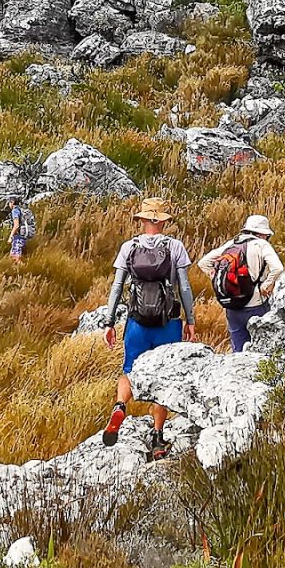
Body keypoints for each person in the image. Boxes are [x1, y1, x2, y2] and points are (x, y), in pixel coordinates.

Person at [101, 197, 195, 460]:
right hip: (168, 323)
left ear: (142, 220)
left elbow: (117, 288)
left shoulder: (129, 247)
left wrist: (109, 322)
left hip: (137, 322)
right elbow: (184, 287)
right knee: (163, 378)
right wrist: (190, 320)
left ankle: (120, 405)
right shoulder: (175, 247)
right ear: (162, 222)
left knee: (129, 370)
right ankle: (157, 436)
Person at [200, 214, 285, 353]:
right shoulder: (262, 244)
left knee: (238, 350)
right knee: (262, 350)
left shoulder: (232, 244)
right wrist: (266, 285)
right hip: (256, 304)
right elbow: (278, 268)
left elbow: (203, 263)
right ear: (262, 234)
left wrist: (217, 278)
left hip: (232, 305)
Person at [6, 197, 36, 261]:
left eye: (9, 203)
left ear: (12, 203)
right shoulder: (22, 209)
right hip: (25, 235)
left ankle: (25, 267)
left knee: (15, 258)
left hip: (19, 236)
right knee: (13, 256)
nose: (8, 205)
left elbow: (16, 225)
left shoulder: (15, 210)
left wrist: (10, 237)